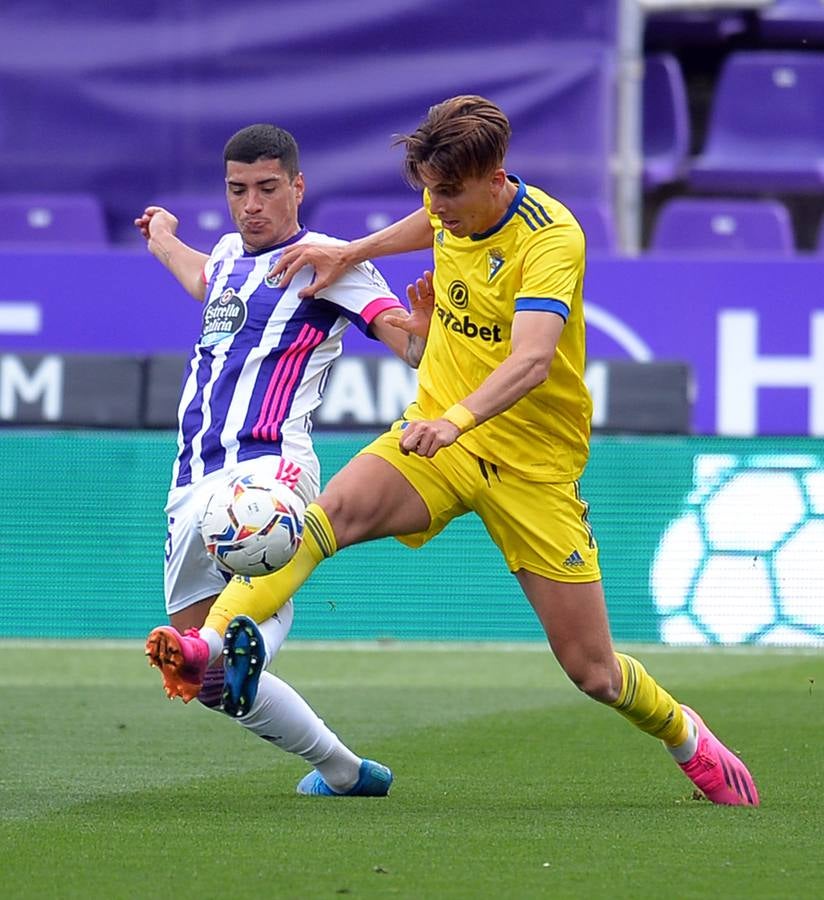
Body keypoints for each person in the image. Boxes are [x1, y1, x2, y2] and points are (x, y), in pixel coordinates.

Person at [148, 97, 759, 806]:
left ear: (495, 177)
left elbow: (532, 360)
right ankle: (210, 646)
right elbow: (426, 220)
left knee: (593, 671)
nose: (437, 209)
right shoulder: (446, 203)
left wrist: (457, 419)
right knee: (322, 522)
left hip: (529, 466)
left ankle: (685, 734)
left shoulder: (552, 237)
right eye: (428, 193)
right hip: (435, 437)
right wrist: (354, 250)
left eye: (449, 195)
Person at [139, 122, 427, 797]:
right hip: (192, 482)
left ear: (298, 187)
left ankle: (247, 645)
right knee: (207, 681)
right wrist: (160, 237)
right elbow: (200, 279)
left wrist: (422, 328)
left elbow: (405, 345)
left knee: (258, 570)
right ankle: (345, 771)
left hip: (272, 464)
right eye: (238, 190)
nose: (252, 205)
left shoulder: (330, 257)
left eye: (268, 189)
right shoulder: (228, 254)